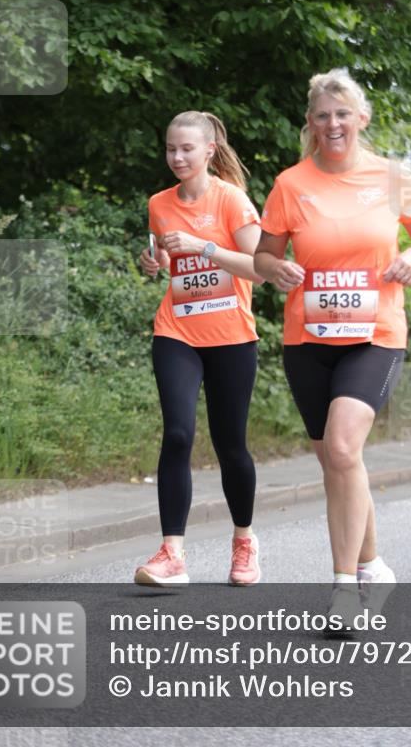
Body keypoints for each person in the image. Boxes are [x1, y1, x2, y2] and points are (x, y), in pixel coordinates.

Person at [254, 68, 411, 621]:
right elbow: (264, 256)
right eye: (322, 115)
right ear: (311, 123)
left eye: (342, 113)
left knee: (340, 449)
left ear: (361, 118)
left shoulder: (391, 176)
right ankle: (375, 565)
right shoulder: (291, 184)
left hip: (376, 333)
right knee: (338, 460)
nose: (333, 124)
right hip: (308, 337)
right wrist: (276, 268)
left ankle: (344, 592)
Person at [134, 111, 264, 585]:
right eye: (171, 148)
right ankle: (172, 554)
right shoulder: (159, 203)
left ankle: (244, 541)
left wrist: (201, 245)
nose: (177, 157)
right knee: (178, 434)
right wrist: (153, 262)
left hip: (231, 337)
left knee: (231, 447)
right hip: (177, 331)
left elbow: (260, 267)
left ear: (209, 150)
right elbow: (167, 261)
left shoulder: (231, 201)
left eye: (187, 149)